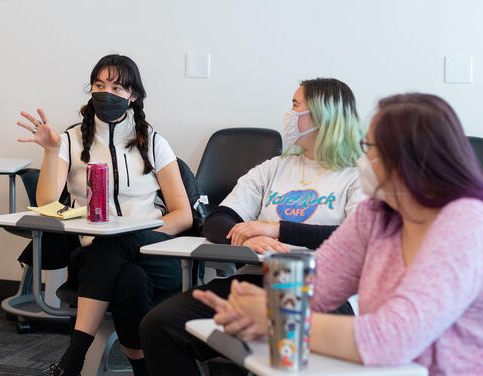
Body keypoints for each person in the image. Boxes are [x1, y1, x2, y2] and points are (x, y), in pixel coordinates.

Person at [197, 93, 483, 375]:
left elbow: (393, 338)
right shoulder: (376, 213)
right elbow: (317, 287)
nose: (362, 161)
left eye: (369, 149)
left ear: (409, 159)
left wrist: (276, 318)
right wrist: (260, 304)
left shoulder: (468, 222)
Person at [140, 78, 364, 375]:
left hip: (324, 290)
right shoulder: (274, 167)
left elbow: (358, 237)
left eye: (296, 106)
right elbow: (217, 221)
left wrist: (275, 229)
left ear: (323, 115)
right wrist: (244, 239)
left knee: (280, 352)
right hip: (257, 282)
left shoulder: (359, 174)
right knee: (160, 325)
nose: (289, 113)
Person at [16, 54, 192, 376]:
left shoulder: (153, 142)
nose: (106, 93)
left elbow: (183, 215)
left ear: (133, 96)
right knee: (129, 280)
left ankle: (73, 358)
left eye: (117, 87)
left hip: (154, 252)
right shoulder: (70, 140)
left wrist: (138, 235)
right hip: (94, 256)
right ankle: (143, 369)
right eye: (99, 85)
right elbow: (47, 202)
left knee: (115, 243)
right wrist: (51, 152)